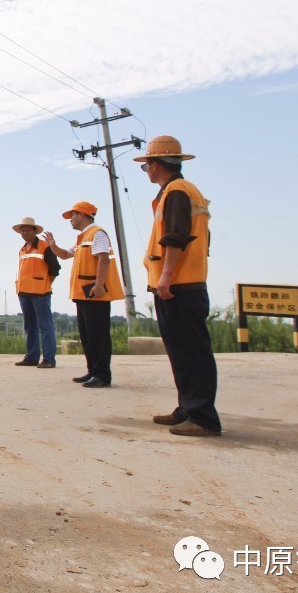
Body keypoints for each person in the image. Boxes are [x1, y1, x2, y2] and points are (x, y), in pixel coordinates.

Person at [135, 136, 220, 438]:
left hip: (179, 285)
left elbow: (175, 237)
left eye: (146, 165)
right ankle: (188, 408)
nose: (145, 170)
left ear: (156, 165)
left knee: (192, 352)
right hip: (184, 283)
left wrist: (166, 277)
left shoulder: (177, 192)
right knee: (183, 352)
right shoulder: (182, 191)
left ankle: (203, 417)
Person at [45, 202, 124, 389]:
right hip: (83, 293)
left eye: (72, 216)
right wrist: (53, 246)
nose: (70, 220)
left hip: (95, 292)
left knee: (98, 335)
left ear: (82, 215)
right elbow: (64, 255)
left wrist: (98, 285)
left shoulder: (98, 234)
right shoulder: (82, 239)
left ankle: (103, 374)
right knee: (87, 335)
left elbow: (103, 259)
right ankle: (93, 370)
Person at [11, 217, 61, 369]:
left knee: (45, 326)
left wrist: (44, 283)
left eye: (27, 229)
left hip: (40, 293)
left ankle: (48, 359)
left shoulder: (45, 246)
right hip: (24, 292)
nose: (24, 232)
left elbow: (55, 269)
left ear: (34, 231)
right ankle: (32, 357)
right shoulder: (22, 249)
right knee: (30, 326)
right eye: (22, 230)